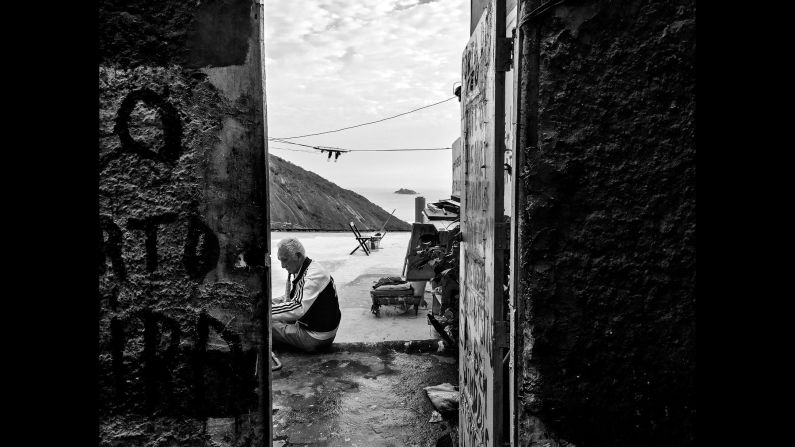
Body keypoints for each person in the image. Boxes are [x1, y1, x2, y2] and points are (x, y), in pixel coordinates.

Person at [271, 237, 341, 352]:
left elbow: (298, 308)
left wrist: (264, 311)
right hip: (318, 328)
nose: (283, 266)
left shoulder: (313, 276)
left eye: (285, 260)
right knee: (274, 310)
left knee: (266, 324)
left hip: (316, 336)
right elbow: (293, 297)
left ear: (298, 256)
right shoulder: (307, 268)